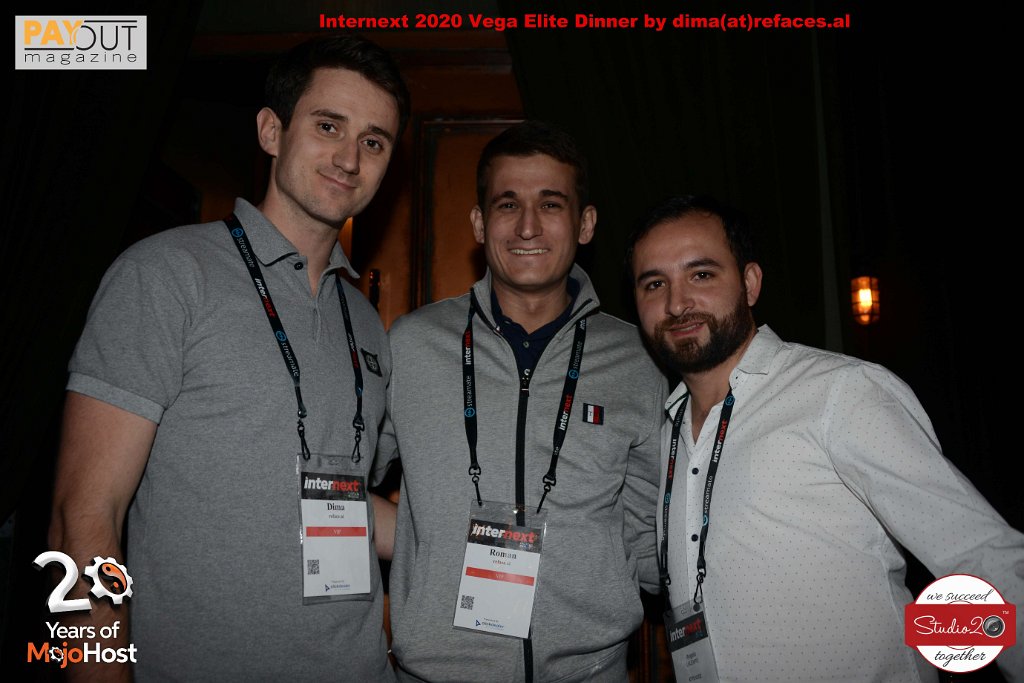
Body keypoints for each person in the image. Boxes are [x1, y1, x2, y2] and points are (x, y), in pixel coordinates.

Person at [48, 34, 409, 680]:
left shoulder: (366, 324)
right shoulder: (165, 276)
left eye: (374, 142)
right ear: (272, 131)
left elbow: (341, 499)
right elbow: (81, 519)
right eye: (328, 126)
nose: (350, 158)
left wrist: (486, 548)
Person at [627, 194, 1024, 682]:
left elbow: (979, 555)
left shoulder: (841, 392)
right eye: (654, 284)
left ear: (750, 283)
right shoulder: (669, 430)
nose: (676, 303)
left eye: (701, 274)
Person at [379, 121, 665, 682]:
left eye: (550, 204)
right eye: (507, 204)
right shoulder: (411, 345)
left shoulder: (639, 360)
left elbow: (651, 531)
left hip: (591, 671)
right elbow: (340, 474)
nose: (528, 225)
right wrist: (424, 545)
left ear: (585, 223)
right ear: (479, 223)